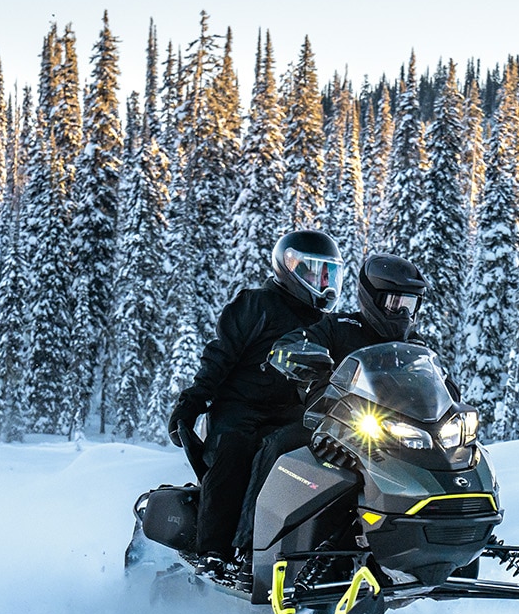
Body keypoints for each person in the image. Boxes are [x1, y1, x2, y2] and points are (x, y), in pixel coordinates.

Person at [231, 253, 432, 554]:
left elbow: (436, 384)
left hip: (387, 435)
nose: (402, 314)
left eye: (409, 305)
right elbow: (289, 346)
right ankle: (246, 543)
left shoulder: (413, 346)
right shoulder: (339, 326)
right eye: (395, 303)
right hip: (330, 426)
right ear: (373, 299)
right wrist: (301, 356)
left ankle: (432, 539)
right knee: (279, 446)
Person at [168, 229, 344, 564]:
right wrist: (192, 403)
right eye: (313, 271)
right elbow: (220, 355)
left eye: (328, 273)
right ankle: (216, 551)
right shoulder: (256, 304)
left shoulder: (326, 324)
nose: (322, 282)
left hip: (293, 412)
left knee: (321, 459)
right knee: (234, 451)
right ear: (288, 268)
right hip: (240, 408)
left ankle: (311, 550)